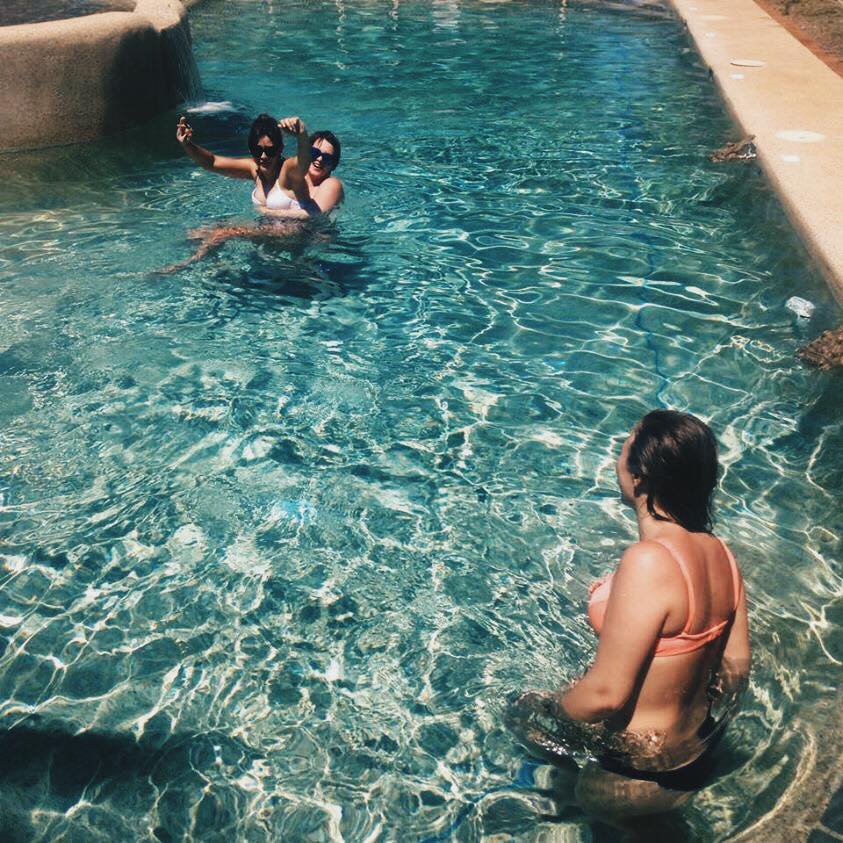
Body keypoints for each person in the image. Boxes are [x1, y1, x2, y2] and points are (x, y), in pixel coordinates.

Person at [508, 410, 750, 828]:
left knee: (518, 715)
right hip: (697, 753)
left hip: (629, 777)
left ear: (639, 477)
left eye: (621, 453)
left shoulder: (648, 561)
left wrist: (549, 706)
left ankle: (562, 801)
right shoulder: (721, 554)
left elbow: (606, 696)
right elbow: (737, 667)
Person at [165, 114, 343, 270]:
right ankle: (212, 265)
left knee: (223, 232)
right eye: (315, 153)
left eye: (327, 158)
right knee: (197, 233)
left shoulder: (303, 176)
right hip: (273, 233)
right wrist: (188, 144)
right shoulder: (258, 169)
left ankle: (185, 266)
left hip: (299, 237)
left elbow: (303, 167)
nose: (264, 156)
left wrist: (302, 134)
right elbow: (212, 162)